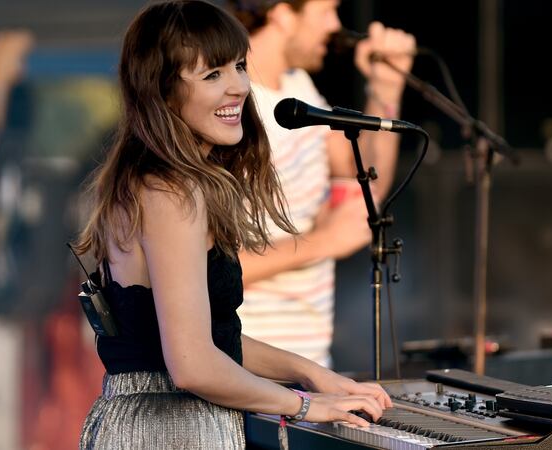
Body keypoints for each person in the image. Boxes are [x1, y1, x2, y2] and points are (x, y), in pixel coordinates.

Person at [73, 2, 391, 448]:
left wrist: (311, 373)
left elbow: (213, 340)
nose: (239, 86)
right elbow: (193, 365)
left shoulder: (167, 184)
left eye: (239, 67)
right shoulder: (170, 192)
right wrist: (304, 404)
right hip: (169, 430)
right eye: (212, 75)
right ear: (163, 91)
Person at [229, 0, 417, 367]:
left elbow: (366, 178)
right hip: (249, 364)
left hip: (308, 360)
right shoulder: (233, 110)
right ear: (282, 13)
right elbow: (204, 271)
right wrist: (323, 241)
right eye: (326, 10)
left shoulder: (298, 86)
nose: (334, 25)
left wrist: (386, 89)